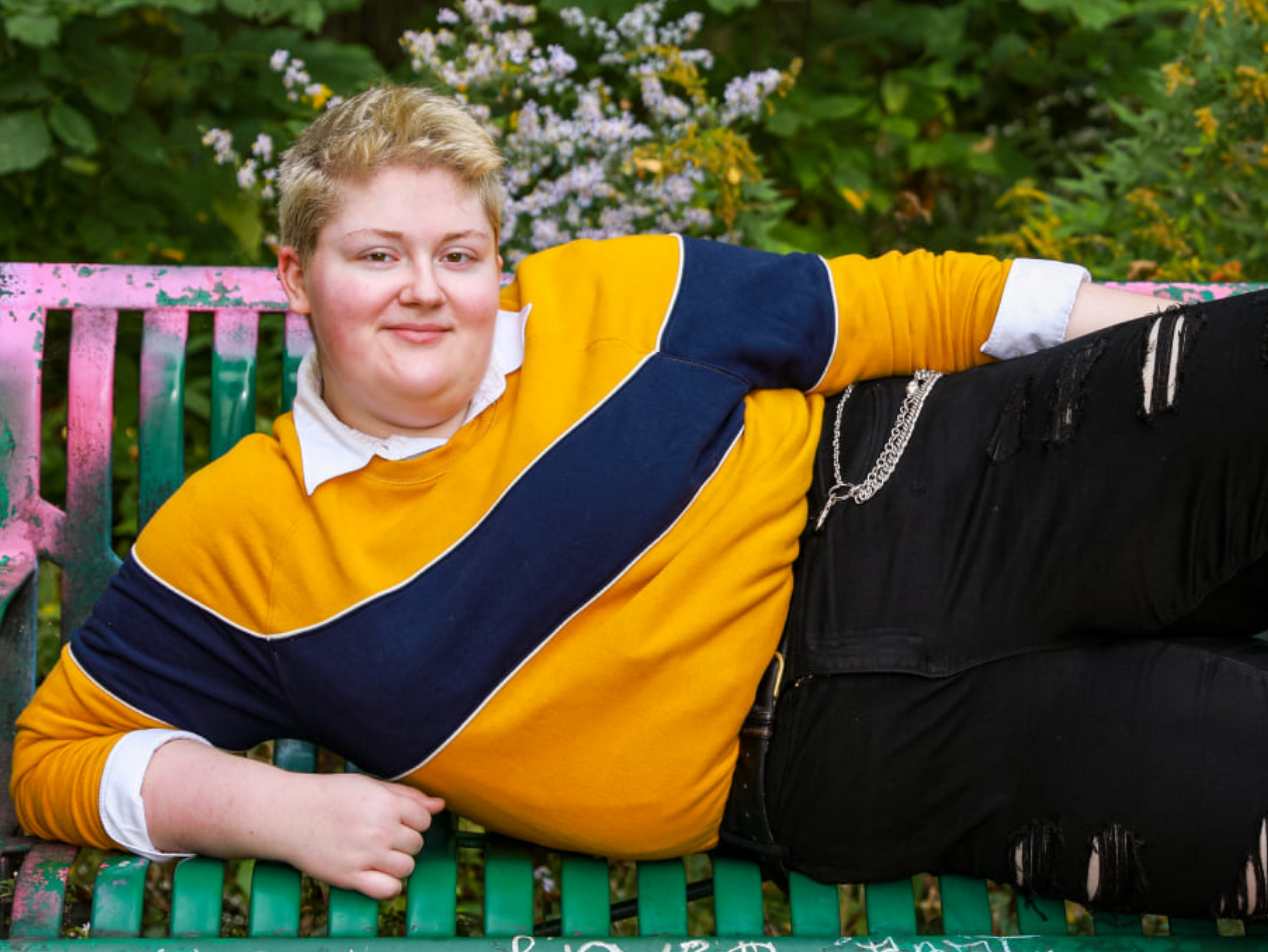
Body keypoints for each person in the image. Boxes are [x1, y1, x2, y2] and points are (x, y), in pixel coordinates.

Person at [10, 84, 1267, 918]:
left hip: (928, 489)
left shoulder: (625, 297)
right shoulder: (242, 538)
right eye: (375, 255)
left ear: (499, 265)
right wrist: (275, 806)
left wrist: (1162, 363)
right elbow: (49, 761)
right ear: (296, 273)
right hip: (846, 761)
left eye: (458, 255)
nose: (423, 291)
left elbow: (903, 303)